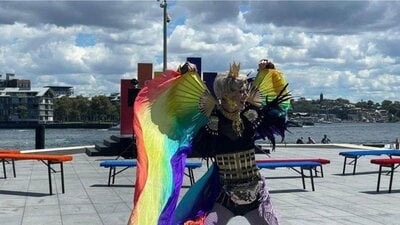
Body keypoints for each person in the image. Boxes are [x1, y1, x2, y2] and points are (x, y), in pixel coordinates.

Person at [128, 59, 291, 225]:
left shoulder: (252, 114)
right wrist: (184, 74)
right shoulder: (211, 120)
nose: (245, 95)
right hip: (224, 196)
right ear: (227, 95)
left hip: (256, 194)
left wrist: (267, 71)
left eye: (245, 91)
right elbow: (179, 112)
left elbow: (278, 109)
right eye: (241, 91)